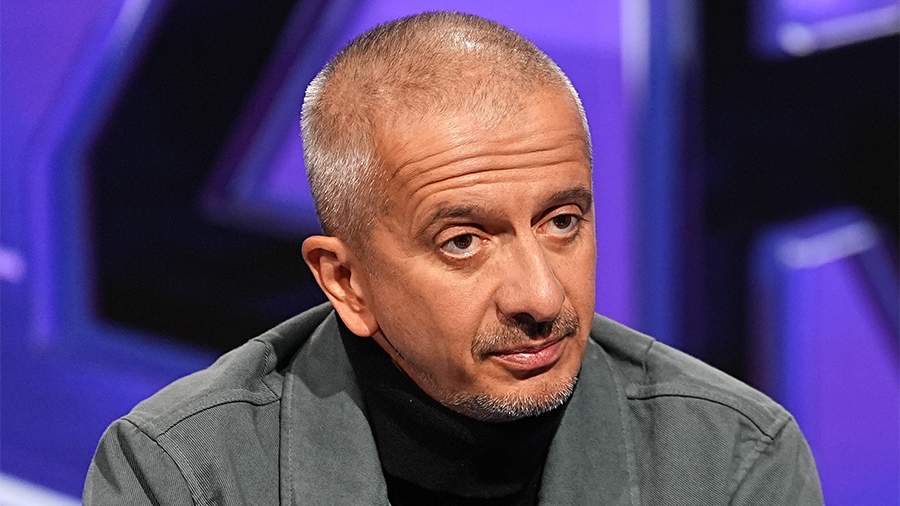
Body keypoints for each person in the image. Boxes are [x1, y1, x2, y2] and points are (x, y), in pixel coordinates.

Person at [83, 11, 823, 505]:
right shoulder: (185, 474)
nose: (542, 297)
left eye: (562, 222)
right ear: (346, 281)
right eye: (463, 241)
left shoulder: (732, 460)